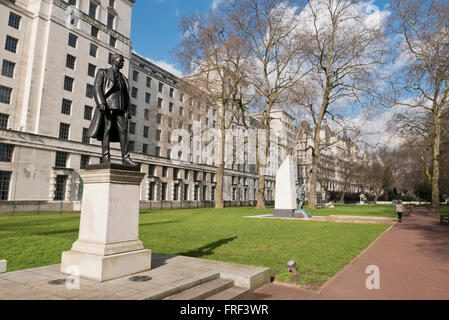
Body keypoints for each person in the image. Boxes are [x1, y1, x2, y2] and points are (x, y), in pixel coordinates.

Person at [88, 53, 137, 166]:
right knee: (107, 131)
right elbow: (97, 88)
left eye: (123, 61)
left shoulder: (124, 78)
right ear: (114, 60)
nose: (122, 63)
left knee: (123, 132)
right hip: (108, 106)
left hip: (120, 108)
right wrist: (101, 102)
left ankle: (126, 158)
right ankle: (106, 157)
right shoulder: (103, 72)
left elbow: (126, 95)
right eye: (120, 60)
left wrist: (128, 108)